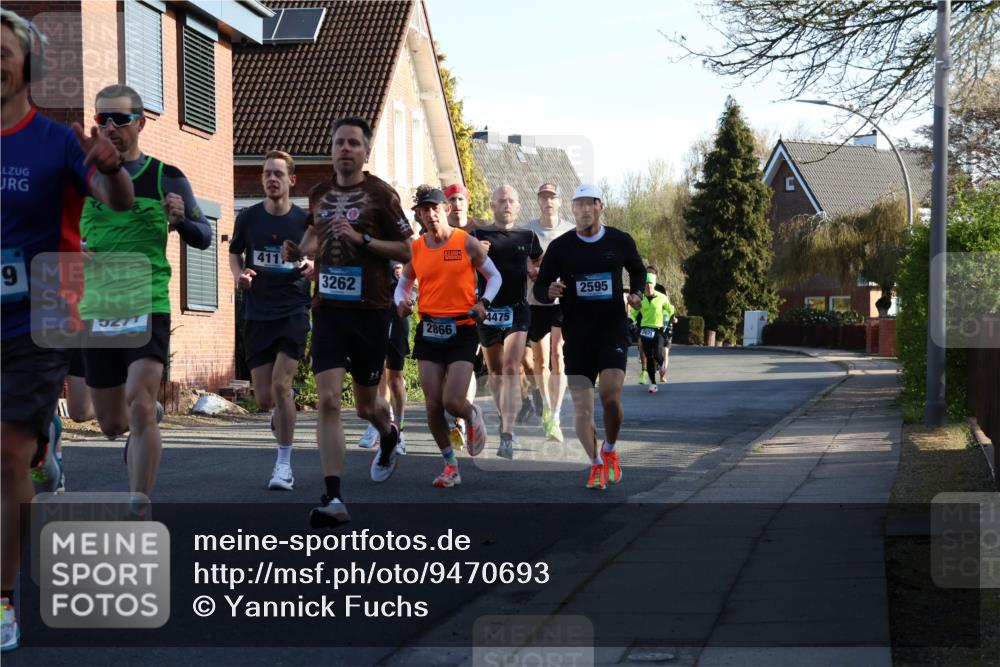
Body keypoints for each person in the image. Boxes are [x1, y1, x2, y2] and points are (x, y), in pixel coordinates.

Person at [1, 9, 134, 651]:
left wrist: (110, 166)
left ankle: (2, 601)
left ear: (30, 66)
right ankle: (44, 446)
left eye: (2, 52)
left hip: (46, 308)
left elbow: (118, 200)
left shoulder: (56, 141)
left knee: (4, 455)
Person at [77, 84, 211, 516]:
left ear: (141, 123)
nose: (110, 127)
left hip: (147, 301)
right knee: (111, 423)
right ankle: (146, 414)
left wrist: (181, 219)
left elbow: (204, 236)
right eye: (102, 119)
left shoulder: (165, 176)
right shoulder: (82, 177)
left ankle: (139, 503)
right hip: (98, 307)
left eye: (120, 118)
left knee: (137, 402)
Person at [283, 117, 412, 528]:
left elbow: (407, 250)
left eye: (354, 143)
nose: (345, 149)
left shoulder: (382, 195)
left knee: (366, 406)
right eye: (339, 142)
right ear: (331, 148)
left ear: (365, 152)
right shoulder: (319, 194)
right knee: (327, 400)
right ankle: (334, 496)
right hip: (328, 310)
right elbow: (314, 236)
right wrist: (298, 251)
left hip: (371, 310)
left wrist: (363, 240)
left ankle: (388, 434)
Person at [534, 184, 645, 490]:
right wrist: (549, 291)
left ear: (600, 206)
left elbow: (637, 270)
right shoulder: (561, 247)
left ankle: (609, 448)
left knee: (610, 395)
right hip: (577, 335)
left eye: (589, 204)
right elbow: (541, 287)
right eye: (578, 205)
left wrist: (637, 293)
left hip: (612, 330)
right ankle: (595, 463)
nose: (583, 210)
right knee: (582, 408)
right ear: (572, 209)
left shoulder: (619, 240)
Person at [395, 186, 499, 486]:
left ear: (446, 209)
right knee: (432, 404)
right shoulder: (417, 248)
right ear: (419, 214)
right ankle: (450, 465)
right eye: (424, 210)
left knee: (453, 401)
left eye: (435, 208)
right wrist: (401, 302)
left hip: (462, 328)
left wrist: (484, 302)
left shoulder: (465, 241)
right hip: (429, 329)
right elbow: (403, 285)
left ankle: (472, 414)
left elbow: (494, 276)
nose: (430, 215)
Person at [229, 150, 312, 490]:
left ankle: (284, 466)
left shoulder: (304, 220)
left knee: (280, 385)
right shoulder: (248, 217)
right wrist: (239, 276)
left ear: (292, 180)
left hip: (293, 309)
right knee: (265, 399)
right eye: (267, 173)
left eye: (278, 174)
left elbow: (318, 256)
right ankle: (281, 407)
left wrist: (311, 266)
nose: (271, 179)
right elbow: (234, 253)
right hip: (257, 312)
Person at [470, 185, 542, 459]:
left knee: (511, 367)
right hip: (488, 311)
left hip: (517, 309)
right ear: (493, 205)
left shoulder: (528, 236)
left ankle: (507, 435)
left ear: (519, 206)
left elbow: (540, 260)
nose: (507, 205)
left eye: (512, 201)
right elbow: (463, 266)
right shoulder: (478, 235)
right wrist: (475, 253)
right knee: (496, 373)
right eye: (502, 200)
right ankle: (505, 418)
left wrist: (535, 270)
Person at [523, 183, 573, 441]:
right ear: (538, 201)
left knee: (558, 354)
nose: (548, 202)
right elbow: (518, 261)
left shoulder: (570, 232)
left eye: (552, 197)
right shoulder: (527, 230)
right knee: (540, 361)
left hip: (562, 302)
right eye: (544, 197)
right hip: (535, 301)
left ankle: (556, 413)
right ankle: (545, 404)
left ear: (560, 201)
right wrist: (529, 270)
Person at [358, 260, 409, 455]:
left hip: (396, 310)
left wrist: (405, 277)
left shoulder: (403, 243)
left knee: (395, 378)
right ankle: (378, 424)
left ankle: (399, 429)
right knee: (376, 372)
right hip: (370, 310)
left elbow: (417, 274)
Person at [632, 267, 676, 393]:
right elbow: (634, 312)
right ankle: (653, 383)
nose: (648, 286)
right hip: (645, 329)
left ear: (654, 284)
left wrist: (671, 318)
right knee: (649, 357)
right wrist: (630, 321)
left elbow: (671, 309)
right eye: (646, 283)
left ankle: (661, 364)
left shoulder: (662, 297)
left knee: (657, 353)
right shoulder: (641, 298)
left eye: (650, 283)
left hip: (658, 329)